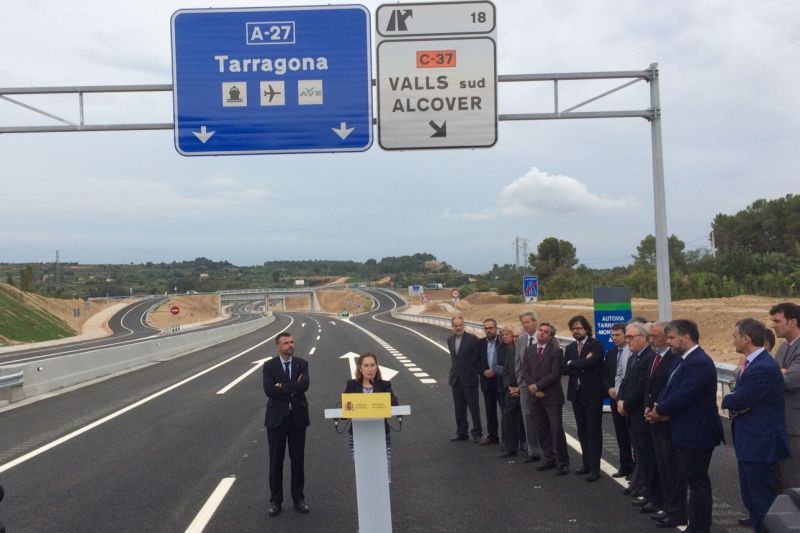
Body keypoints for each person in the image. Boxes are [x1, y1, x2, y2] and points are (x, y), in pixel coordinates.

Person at [646, 319, 724, 533]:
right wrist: (657, 407)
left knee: (697, 483)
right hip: (683, 429)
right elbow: (670, 389)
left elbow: (685, 394)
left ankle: (699, 527)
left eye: (671, 338)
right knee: (691, 479)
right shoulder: (681, 360)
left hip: (697, 431)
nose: (668, 342)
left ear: (686, 337)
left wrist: (660, 411)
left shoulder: (698, 362)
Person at [722, 318, 789, 533]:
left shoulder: (762, 368)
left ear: (746, 338)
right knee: (753, 500)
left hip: (760, 445)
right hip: (751, 443)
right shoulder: (754, 364)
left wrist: (732, 401)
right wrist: (738, 402)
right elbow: (740, 400)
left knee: (763, 503)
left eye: (735, 336)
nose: (733, 341)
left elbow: (735, 400)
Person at [263, 332, 310, 516]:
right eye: (286, 343)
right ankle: (276, 501)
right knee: (276, 461)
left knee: (297, 461)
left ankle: (298, 498)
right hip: (276, 421)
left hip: (298, 418)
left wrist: (282, 386)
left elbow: (305, 385)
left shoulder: (302, 364)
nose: (290, 345)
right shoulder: (269, 366)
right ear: (278, 346)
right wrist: (292, 386)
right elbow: (269, 390)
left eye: (292, 342)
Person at [645, 321, 687, 528]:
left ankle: (676, 510)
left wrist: (659, 410)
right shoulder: (656, 357)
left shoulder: (675, 359)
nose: (651, 340)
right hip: (655, 416)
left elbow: (677, 391)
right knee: (663, 466)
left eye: (656, 336)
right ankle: (668, 507)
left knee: (674, 469)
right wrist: (650, 407)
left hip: (668, 420)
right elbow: (652, 387)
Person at [618, 322, 660, 513]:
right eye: (626, 337)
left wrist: (626, 404)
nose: (627, 341)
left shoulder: (648, 357)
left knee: (648, 456)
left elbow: (641, 387)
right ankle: (645, 488)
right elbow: (626, 382)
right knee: (641, 454)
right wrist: (620, 399)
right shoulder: (635, 357)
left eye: (630, 337)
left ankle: (651, 493)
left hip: (640, 415)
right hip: (632, 414)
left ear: (643, 338)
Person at [562, 315, 606, 481]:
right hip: (577, 394)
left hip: (593, 395)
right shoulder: (571, 347)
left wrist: (573, 364)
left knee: (594, 431)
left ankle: (595, 469)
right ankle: (586, 464)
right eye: (573, 328)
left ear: (586, 329)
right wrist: (579, 364)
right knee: (582, 431)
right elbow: (564, 368)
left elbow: (592, 363)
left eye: (579, 328)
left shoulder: (596, 345)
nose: (576, 331)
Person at [344, 352, 399, 480]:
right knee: (365, 476)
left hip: (381, 436)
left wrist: (378, 398)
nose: (370, 369)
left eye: (373, 365)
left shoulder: (384, 385)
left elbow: (395, 404)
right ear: (360, 368)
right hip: (358, 437)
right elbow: (344, 411)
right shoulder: (352, 385)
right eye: (366, 366)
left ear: (377, 367)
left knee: (382, 476)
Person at [525, 322, 569, 475]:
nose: (541, 333)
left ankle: (562, 461)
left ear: (550, 336)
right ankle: (549, 458)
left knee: (556, 428)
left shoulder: (556, 351)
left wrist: (538, 386)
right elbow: (526, 372)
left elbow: (555, 374)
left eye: (545, 332)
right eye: (540, 330)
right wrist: (533, 387)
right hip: (535, 396)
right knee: (542, 428)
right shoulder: (530, 349)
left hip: (551, 396)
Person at [770, 302, 800, 489]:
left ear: (793, 322)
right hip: (781, 422)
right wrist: (779, 371)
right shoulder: (783, 348)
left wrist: (778, 372)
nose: (773, 325)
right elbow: (771, 374)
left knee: (794, 477)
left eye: (777, 320)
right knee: (781, 477)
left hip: (795, 424)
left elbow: (789, 380)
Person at [604, 323, 635, 479]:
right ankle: (625, 465)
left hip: (630, 401)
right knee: (621, 435)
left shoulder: (633, 354)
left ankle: (638, 470)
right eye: (612, 335)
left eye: (618, 335)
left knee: (634, 437)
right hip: (615, 399)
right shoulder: (610, 354)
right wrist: (609, 388)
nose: (614, 338)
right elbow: (606, 374)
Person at [447, 316, 483, 443]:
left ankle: (477, 432)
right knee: (459, 408)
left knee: (474, 408)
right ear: (452, 326)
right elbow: (454, 359)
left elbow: (478, 357)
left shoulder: (472, 339)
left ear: (464, 325)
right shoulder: (450, 339)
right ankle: (461, 432)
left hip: (470, 378)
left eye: (460, 325)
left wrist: (477, 371)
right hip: (456, 379)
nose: (458, 327)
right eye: (455, 325)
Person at [515, 311, 543, 462]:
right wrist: (520, 381)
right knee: (528, 417)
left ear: (535, 322)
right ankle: (533, 452)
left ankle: (550, 450)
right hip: (525, 386)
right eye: (523, 323)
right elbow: (517, 362)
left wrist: (540, 384)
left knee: (544, 418)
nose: (526, 325)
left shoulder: (544, 336)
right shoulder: (521, 339)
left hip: (541, 386)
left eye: (528, 322)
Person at [477, 318, 502, 445]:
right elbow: (476, 362)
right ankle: (492, 436)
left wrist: (495, 371)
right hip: (487, 382)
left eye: (491, 328)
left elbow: (507, 363)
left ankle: (510, 439)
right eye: (486, 328)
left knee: (506, 412)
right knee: (490, 411)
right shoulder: (480, 343)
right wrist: (485, 371)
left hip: (502, 382)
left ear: (496, 328)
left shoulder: (503, 342)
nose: (488, 330)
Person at [499, 326, 522, 458]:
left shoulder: (529, 350)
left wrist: (520, 388)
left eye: (518, 337)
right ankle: (510, 448)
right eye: (514, 337)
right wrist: (509, 387)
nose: (515, 339)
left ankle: (528, 446)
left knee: (526, 421)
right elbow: (506, 371)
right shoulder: (511, 350)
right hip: (511, 391)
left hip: (525, 390)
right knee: (508, 419)